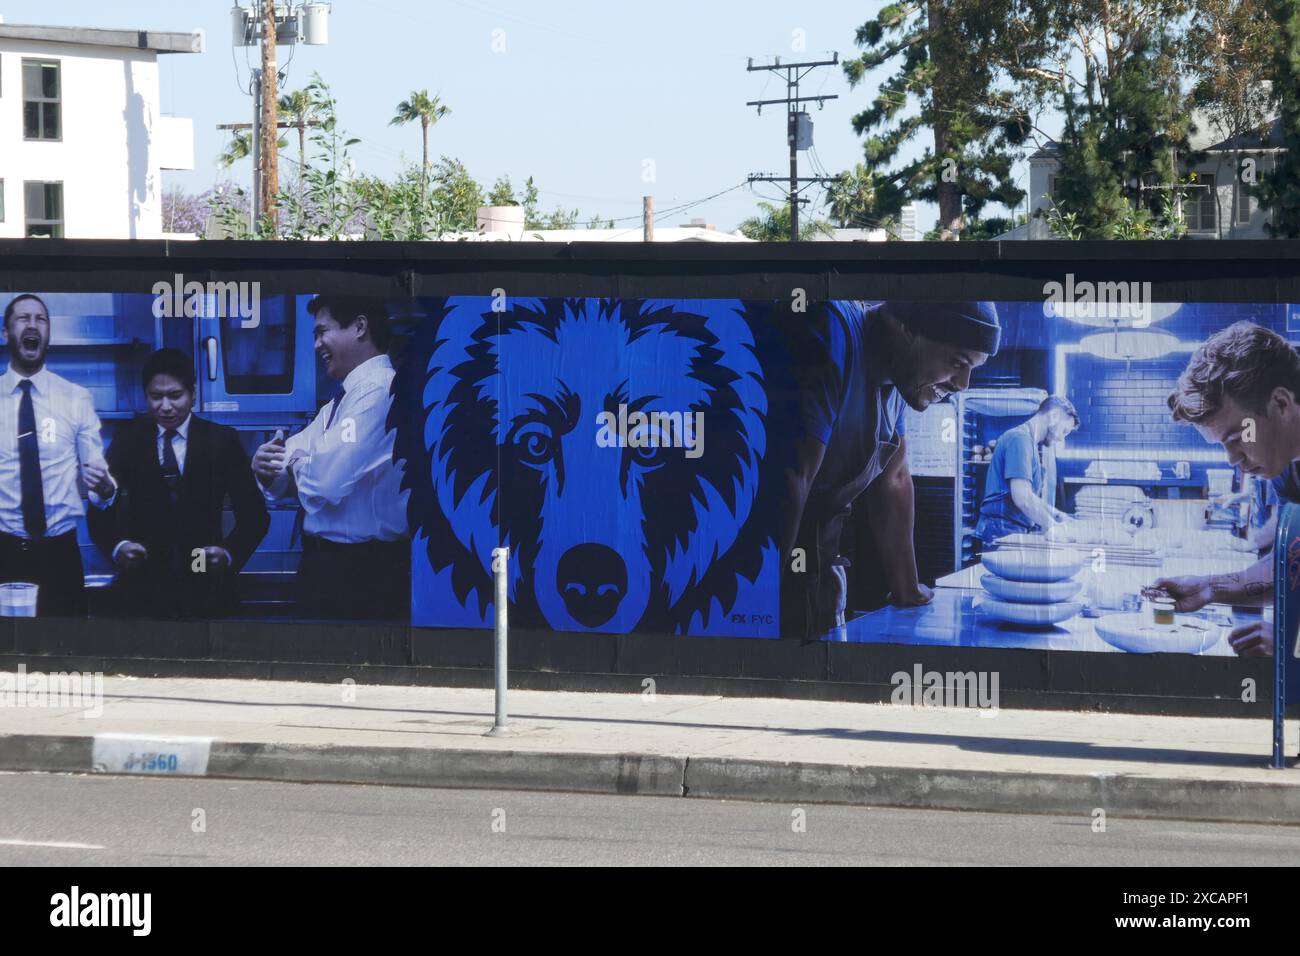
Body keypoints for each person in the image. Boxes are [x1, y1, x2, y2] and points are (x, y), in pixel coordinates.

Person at [778, 299, 999, 640]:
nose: (963, 384)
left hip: (818, 581)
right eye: (957, 362)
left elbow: (894, 480)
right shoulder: (831, 328)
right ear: (907, 329)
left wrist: (907, 589)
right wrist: (757, 600)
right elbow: (793, 475)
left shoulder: (900, 381)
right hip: (771, 569)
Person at [251, 296, 410, 619]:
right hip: (329, 568)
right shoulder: (342, 399)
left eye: (322, 332)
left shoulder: (379, 391)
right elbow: (288, 460)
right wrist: (269, 467)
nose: (316, 345)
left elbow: (326, 480)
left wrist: (297, 463)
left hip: (362, 573)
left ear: (360, 327)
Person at [1154, 321, 1300, 656]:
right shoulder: (1286, 465)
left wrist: (1293, 641)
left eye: (1237, 439)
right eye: (1223, 445)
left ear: (1280, 404)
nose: (1233, 459)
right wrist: (1208, 588)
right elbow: (1291, 564)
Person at [88, 349, 269, 618]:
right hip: (142, 591)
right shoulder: (128, 441)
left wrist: (229, 554)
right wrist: (117, 548)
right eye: (155, 397)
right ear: (145, 395)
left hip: (207, 588)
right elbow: (99, 510)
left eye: (175, 395)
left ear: (193, 393)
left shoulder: (222, 441)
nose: (165, 406)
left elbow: (255, 516)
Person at [0, 293, 116, 616]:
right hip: (3, 552)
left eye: (41, 319)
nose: (32, 325)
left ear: (48, 334)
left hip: (61, 556)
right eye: (23, 318)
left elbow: (98, 481)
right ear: (6, 332)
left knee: (66, 654)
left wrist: (106, 489)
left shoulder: (76, 398)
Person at [973, 395, 1079, 545]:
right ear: (1054, 416)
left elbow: (1030, 496)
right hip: (1001, 530)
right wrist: (1055, 528)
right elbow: (1023, 499)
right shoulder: (1019, 439)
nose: (1062, 439)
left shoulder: (1029, 443)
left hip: (1008, 528)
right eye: (1064, 431)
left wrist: (1057, 515)